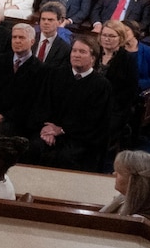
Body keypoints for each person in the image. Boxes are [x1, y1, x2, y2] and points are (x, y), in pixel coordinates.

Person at [29, 38, 112, 171]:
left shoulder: (101, 86)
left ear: (93, 58)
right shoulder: (55, 75)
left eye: (82, 52)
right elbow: (43, 105)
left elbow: (94, 121)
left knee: (64, 157)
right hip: (50, 131)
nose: (76, 55)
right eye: (74, 51)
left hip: (80, 138)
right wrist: (47, 130)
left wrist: (62, 130)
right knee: (33, 147)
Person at [100, 150, 150, 221]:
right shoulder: (122, 202)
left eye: (119, 172)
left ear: (135, 182)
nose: (114, 174)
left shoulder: (136, 222)